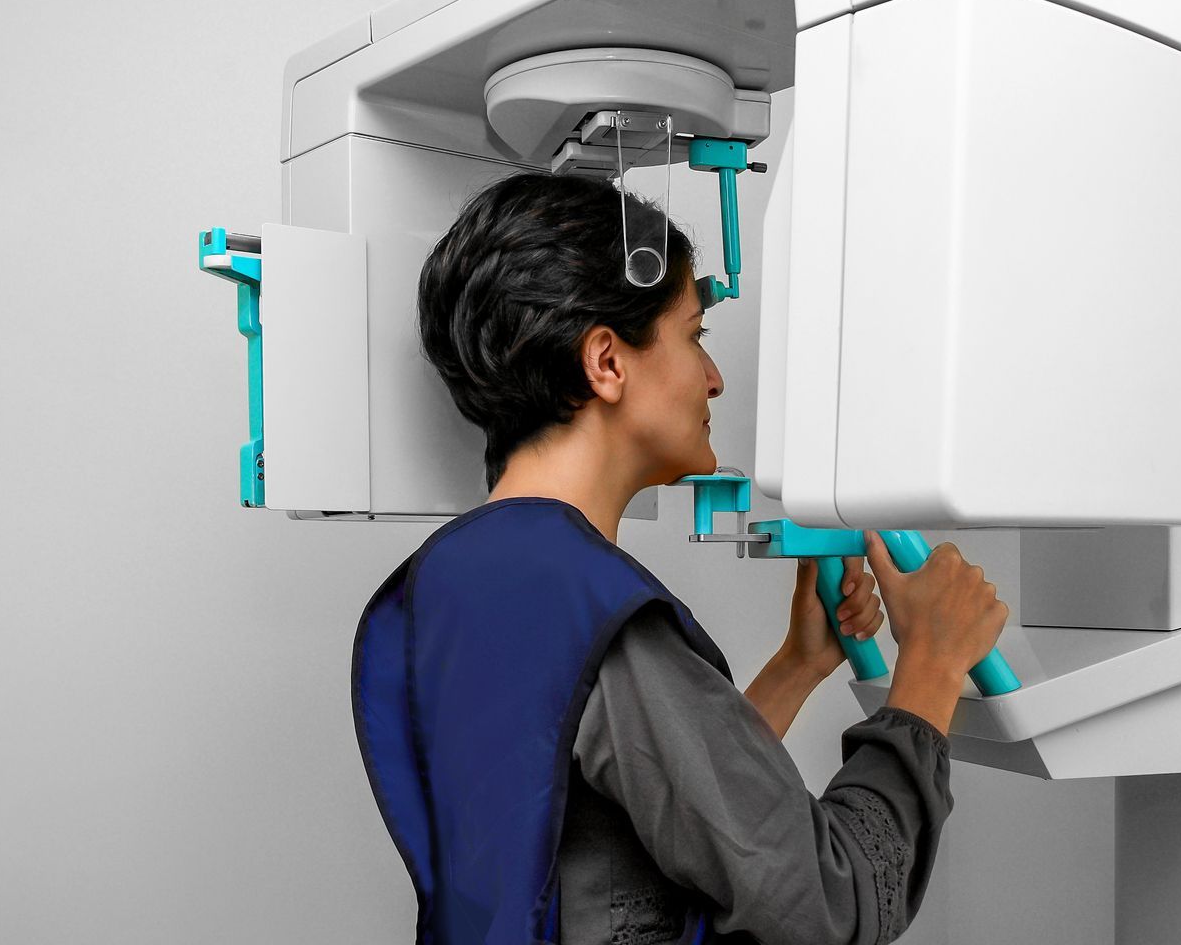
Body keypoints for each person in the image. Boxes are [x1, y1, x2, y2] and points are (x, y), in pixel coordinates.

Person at [352, 171, 1009, 945]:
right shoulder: (595, 610)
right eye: (694, 336)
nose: (716, 378)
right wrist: (930, 670)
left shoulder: (438, 584)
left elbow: (611, 832)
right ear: (606, 361)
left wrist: (797, 666)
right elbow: (832, 903)